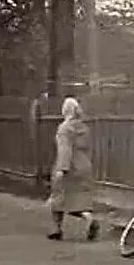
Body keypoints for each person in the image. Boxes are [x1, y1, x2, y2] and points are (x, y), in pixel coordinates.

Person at [47, 96, 99, 241]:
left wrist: (61, 169)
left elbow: (65, 149)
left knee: (58, 198)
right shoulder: (84, 128)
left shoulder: (64, 128)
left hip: (69, 166)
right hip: (84, 166)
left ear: (65, 110)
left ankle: (56, 229)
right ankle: (89, 218)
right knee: (79, 200)